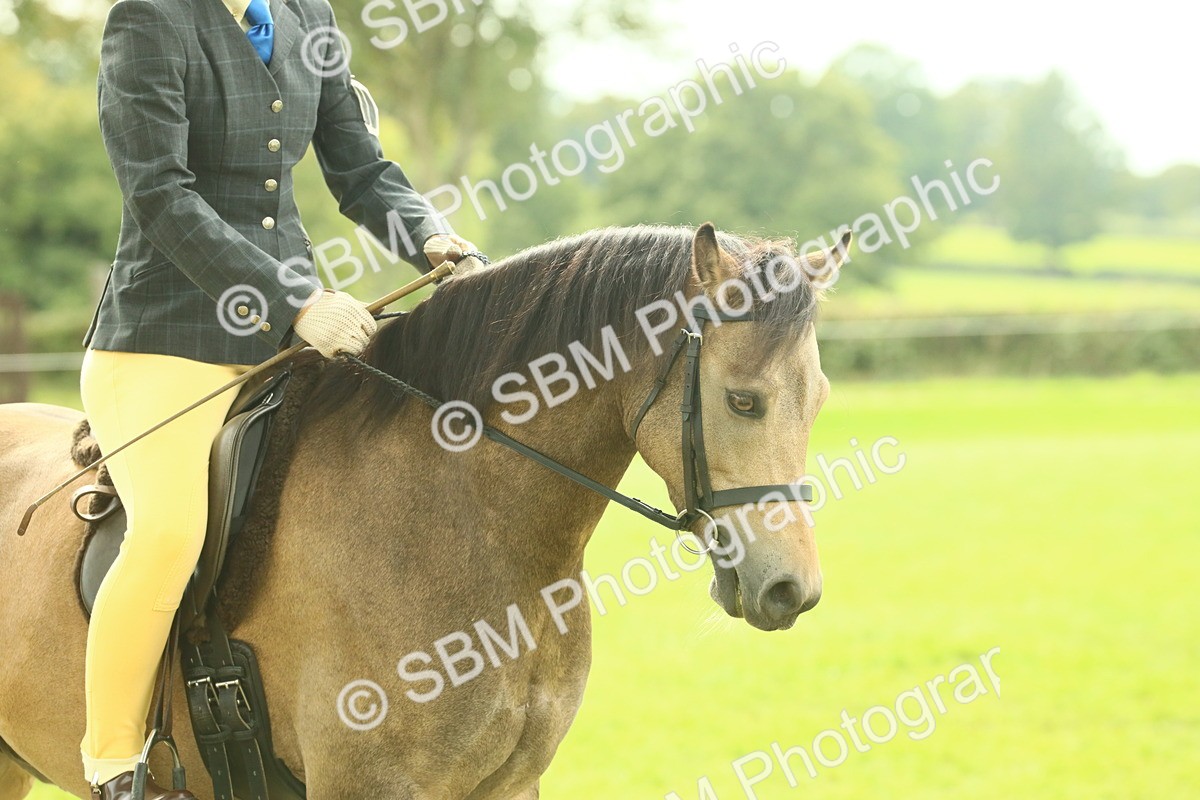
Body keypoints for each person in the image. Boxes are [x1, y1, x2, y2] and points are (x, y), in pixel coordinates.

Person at [80, 0, 477, 796]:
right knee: (167, 534)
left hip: (288, 336)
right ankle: (114, 762)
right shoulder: (149, 20)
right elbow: (159, 195)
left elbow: (360, 170)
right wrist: (293, 296)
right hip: (165, 336)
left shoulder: (305, 16)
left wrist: (427, 233)